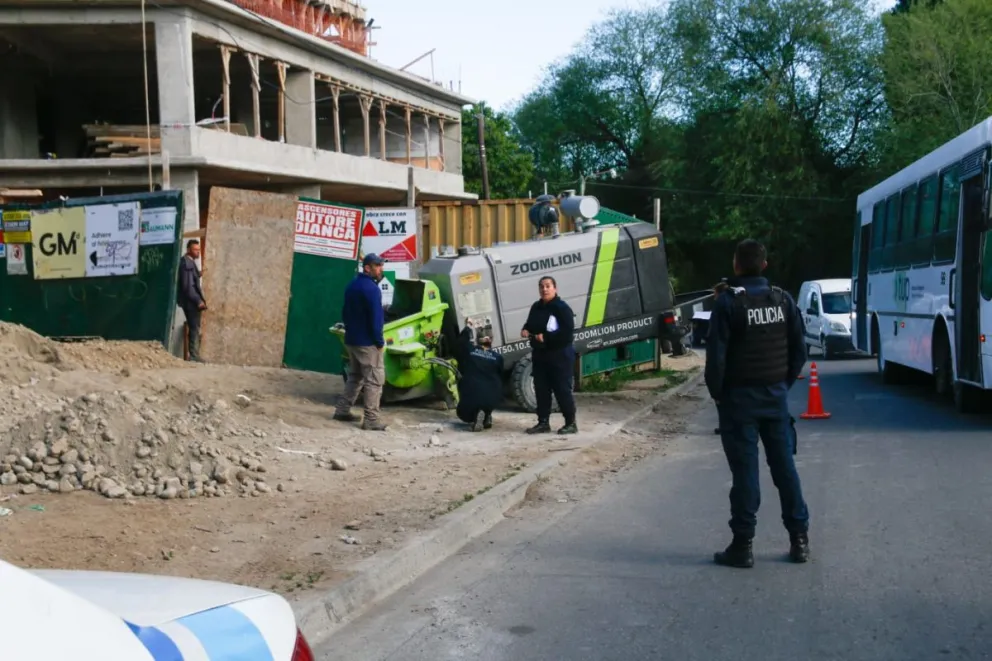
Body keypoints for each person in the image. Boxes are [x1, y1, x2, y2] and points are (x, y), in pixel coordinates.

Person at [705, 239, 810, 568]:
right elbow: (799, 352)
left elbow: (716, 360)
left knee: (746, 474)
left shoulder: (727, 304)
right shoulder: (782, 299)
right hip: (774, 398)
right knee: (785, 471)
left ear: (737, 264)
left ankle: (743, 545)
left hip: (739, 401)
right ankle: (800, 541)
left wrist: (720, 396)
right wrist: (782, 385)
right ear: (764, 265)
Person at [333, 254, 388, 431]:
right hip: (367, 343)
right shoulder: (372, 290)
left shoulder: (352, 285)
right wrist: (379, 341)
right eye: (378, 266)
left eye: (381, 266)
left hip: (352, 339)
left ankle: (342, 410)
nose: (381, 269)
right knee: (374, 379)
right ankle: (371, 419)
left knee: (355, 376)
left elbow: (345, 313)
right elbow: (376, 319)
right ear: (367, 268)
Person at [521, 276, 577, 435]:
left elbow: (567, 333)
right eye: (541, 287)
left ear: (555, 288)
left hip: (559, 355)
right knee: (541, 389)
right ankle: (543, 422)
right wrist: (525, 329)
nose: (544, 289)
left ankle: (571, 423)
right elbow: (530, 323)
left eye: (548, 286)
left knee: (562, 389)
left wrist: (546, 338)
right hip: (540, 355)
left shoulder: (562, 308)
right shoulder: (536, 307)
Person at [453, 319, 504, 431]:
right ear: (491, 340)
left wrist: (468, 327)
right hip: (492, 399)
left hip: (472, 395)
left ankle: (476, 415)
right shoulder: (498, 357)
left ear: (477, 339)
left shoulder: (470, 351)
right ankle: (487, 414)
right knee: (491, 387)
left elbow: (460, 342)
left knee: (463, 413)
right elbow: (501, 375)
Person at [177, 239, 206, 362]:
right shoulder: (187, 264)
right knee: (194, 327)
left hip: (190, 301)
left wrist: (198, 274)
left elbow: (190, 278)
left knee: (194, 327)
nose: (198, 252)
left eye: (199, 250)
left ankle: (193, 355)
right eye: (195, 250)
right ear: (188, 250)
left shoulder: (189, 262)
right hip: (191, 302)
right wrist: (198, 300)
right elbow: (188, 286)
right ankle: (194, 356)